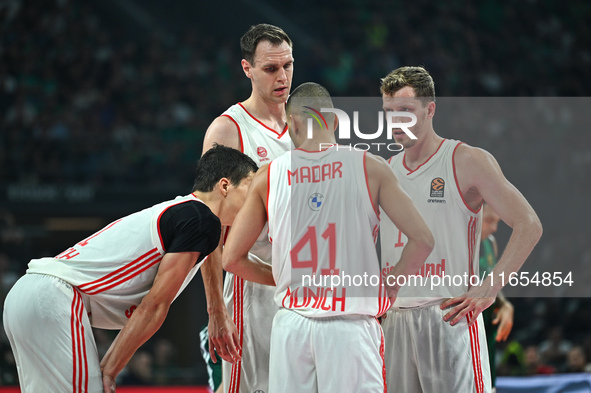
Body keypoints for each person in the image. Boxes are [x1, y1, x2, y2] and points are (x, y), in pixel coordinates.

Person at [222, 82, 434, 393]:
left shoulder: (267, 177)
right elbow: (423, 239)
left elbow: (231, 258)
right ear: (334, 121)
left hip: (291, 327)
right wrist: (389, 286)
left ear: (292, 124)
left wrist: (280, 278)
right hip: (349, 326)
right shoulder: (370, 167)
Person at [2, 145, 258, 393]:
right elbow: (155, 305)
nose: (256, 198)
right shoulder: (202, 219)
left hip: (24, 296)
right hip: (54, 297)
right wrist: (111, 371)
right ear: (225, 185)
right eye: (251, 185)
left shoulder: (184, 213)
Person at [379, 66, 542, 393]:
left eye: (406, 111)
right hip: (395, 320)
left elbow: (529, 224)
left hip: (447, 316)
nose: (397, 121)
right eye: (390, 112)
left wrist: (490, 286)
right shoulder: (384, 170)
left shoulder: (466, 160)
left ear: (430, 109)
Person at [200, 23, 294, 393]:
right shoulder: (228, 130)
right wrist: (215, 310)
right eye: (271, 69)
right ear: (247, 69)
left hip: (303, 284)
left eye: (287, 65)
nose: (282, 76)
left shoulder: (306, 127)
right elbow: (206, 226)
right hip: (251, 288)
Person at [479, 203, 515, 391]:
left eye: (497, 222)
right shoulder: (455, 243)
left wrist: (505, 304)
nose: (494, 228)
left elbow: (493, 283)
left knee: (488, 385)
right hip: (464, 325)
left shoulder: (490, 242)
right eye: (489, 220)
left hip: (487, 327)